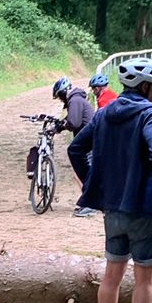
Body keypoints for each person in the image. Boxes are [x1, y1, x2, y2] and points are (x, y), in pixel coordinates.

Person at [68, 57, 152, 303]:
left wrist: (93, 184)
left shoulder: (104, 114)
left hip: (112, 208)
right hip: (144, 208)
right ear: (145, 86)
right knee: (144, 279)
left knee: (112, 274)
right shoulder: (150, 114)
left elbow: (76, 148)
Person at [53, 76, 97, 215]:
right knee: (87, 169)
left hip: (90, 140)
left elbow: (74, 122)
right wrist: (60, 125)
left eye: (60, 96)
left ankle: (91, 203)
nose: (61, 100)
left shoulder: (75, 100)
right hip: (89, 139)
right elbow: (72, 118)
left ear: (64, 92)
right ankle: (90, 200)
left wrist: (63, 126)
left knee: (84, 166)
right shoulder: (76, 99)